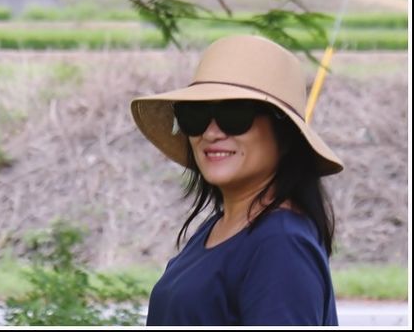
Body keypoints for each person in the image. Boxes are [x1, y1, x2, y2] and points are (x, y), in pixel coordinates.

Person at [130, 33, 343, 327]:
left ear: (285, 133)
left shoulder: (280, 245)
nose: (211, 132)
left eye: (234, 114)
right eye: (196, 114)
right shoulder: (218, 229)